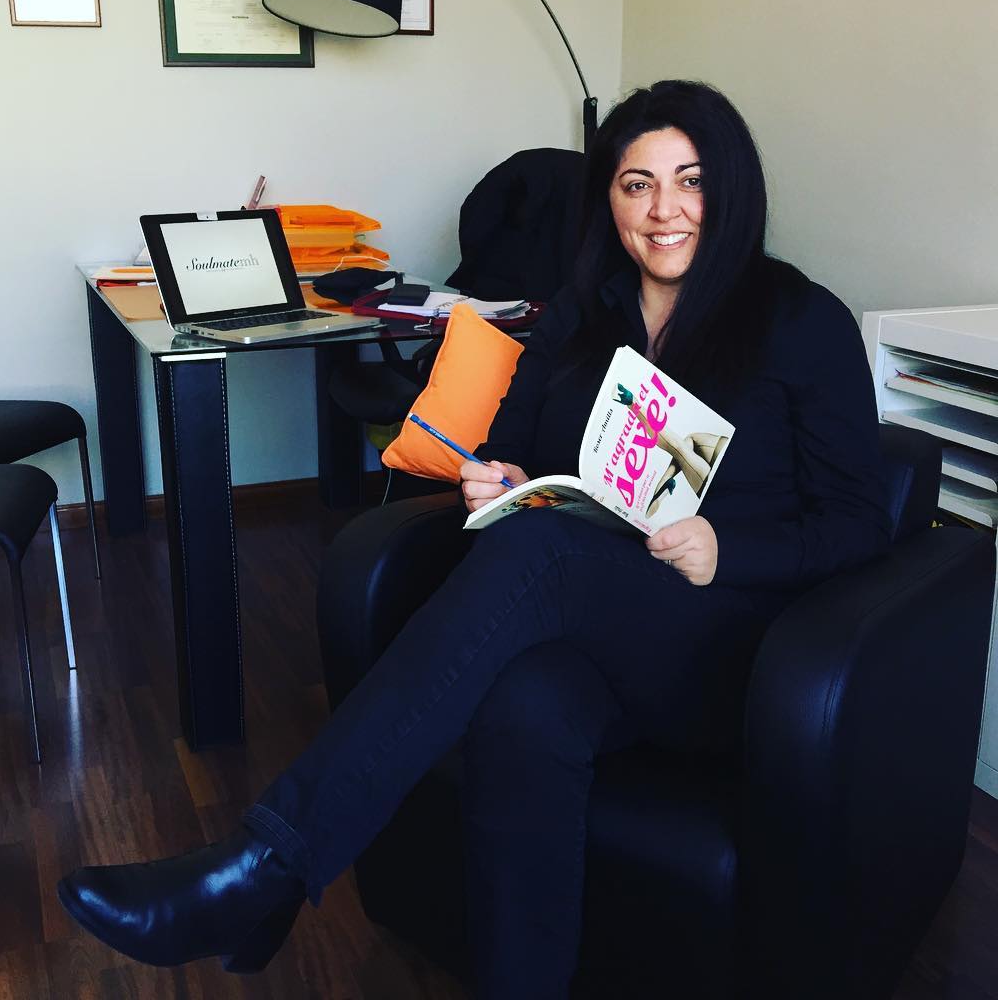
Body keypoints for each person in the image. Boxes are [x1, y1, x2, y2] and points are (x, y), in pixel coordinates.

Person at [58, 81, 892, 997]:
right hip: (594, 624)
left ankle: (265, 867)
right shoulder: (579, 313)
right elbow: (511, 447)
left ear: (731, 190)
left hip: (729, 643)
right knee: (525, 707)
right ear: (608, 198)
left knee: (541, 554)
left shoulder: (799, 320)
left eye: (690, 182)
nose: (664, 211)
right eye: (637, 184)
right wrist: (491, 477)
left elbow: (861, 518)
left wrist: (728, 550)